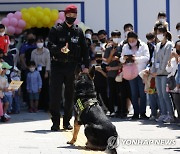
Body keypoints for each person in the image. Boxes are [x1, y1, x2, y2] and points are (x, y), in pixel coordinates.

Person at [48, 4, 89, 131]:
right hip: (57, 65)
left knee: (70, 95)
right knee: (55, 95)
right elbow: (50, 45)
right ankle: (55, 122)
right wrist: (60, 49)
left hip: (72, 67)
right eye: (69, 15)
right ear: (65, 15)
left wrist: (86, 66)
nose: (71, 17)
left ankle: (67, 122)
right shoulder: (56, 29)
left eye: (74, 15)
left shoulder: (78, 31)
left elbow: (84, 50)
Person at [120, 32, 150, 120]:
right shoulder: (125, 46)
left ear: (137, 39)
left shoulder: (143, 45)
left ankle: (143, 112)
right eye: (129, 40)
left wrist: (135, 58)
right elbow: (121, 59)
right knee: (133, 93)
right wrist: (124, 58)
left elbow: (147, 57)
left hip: (140, 72)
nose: (131, 42)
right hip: (130, 72)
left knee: (142, 93)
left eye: (133, 40)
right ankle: (136, 112)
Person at [151, 25, 174, 123]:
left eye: (160, 33)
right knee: (159, 94)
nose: (158, 35)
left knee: (165, 95)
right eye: (157, 33)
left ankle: (171, 115)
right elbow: (154, 59)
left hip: (164, 73)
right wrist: (153, 71)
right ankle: (163, 113)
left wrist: (158, 72)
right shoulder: (157, 45)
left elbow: (165, 60)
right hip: (157, 74)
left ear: (164, 33)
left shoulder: (169, 45)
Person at [31, 37, 50, 111]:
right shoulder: (33, 52)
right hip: (35, 70)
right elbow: (32, 61)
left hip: (44, 70)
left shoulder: (46, 51)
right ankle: (38, 105)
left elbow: (48, 62)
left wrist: (47, 72)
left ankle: (46, 105)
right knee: (37, 88)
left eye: (41, 41)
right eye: (38, 42)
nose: (39, 43)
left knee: (45, 88)